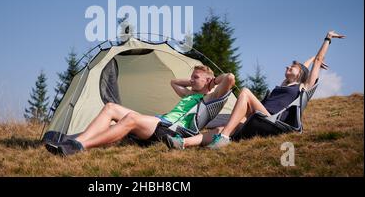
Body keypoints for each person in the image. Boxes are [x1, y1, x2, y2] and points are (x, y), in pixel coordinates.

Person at [165, 30, 345, 150]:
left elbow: (317, 62)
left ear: (301, 74)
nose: (287, 67)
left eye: (292, 67)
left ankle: (225, 138)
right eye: (289, 66)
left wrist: (327, 38)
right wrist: (311, 58)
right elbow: (307, 64)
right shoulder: (284, 84)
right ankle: (183, 143)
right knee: (220, 128)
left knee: (245, 92)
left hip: (272, 120)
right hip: (258, 116)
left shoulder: (302, 87)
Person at [45, 65, 236, 155]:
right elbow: (173, 82)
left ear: (208, 82)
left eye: (195, 77)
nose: (191, 79)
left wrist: (211, 82)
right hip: (160, 123)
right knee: (110, 108)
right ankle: (75, 142)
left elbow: (230, 78)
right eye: (191, 77)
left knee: (130, 118)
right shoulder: (188, 95)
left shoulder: (208, 98)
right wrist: (195, 82)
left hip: (171, 131)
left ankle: (79, 147)